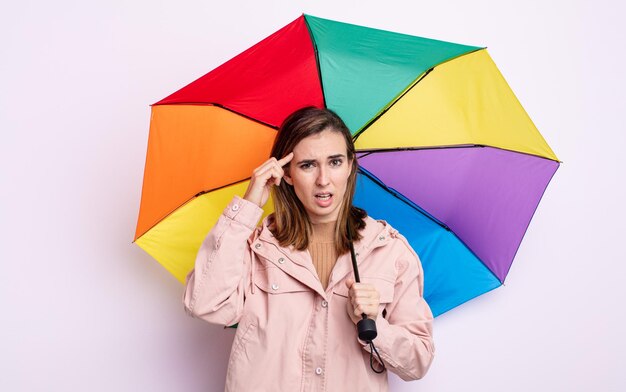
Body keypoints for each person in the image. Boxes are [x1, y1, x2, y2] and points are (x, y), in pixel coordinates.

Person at [183, 107, 434, 391]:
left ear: (351, 165)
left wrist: (376, 326)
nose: (323, 179)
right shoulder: (257, 248)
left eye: (335, 162)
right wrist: (249, 205)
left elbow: (417, 361)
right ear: (286, 174)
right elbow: (203, 304)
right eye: (308, 165)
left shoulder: (389, 252)